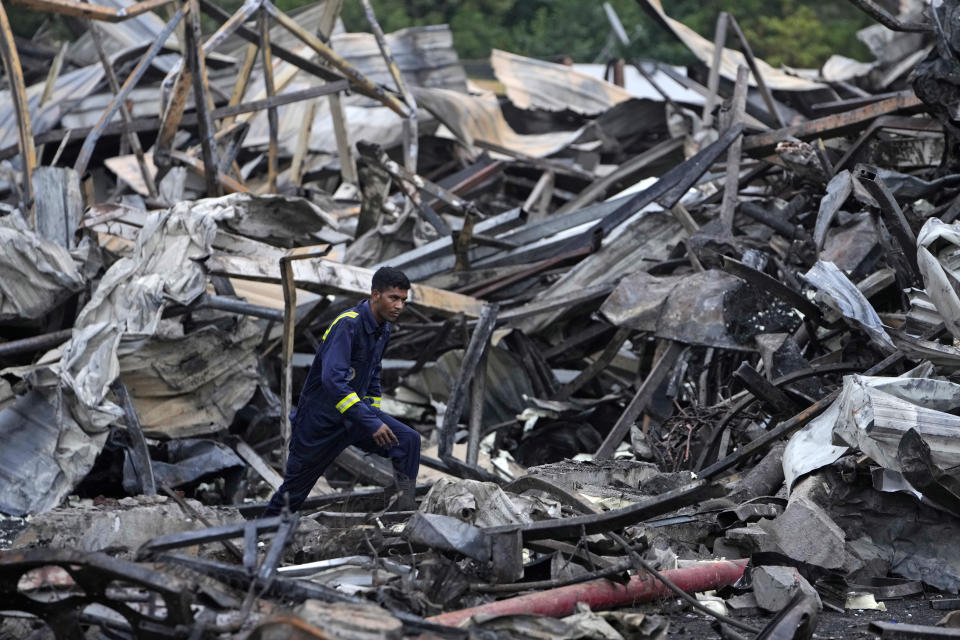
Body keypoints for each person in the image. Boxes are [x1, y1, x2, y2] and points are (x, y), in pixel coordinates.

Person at [263, 267, 421, 516]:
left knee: (408, 441)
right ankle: (260, 538)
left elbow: (373, 372)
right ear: (375, 295)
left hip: (354, 418)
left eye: (403, 300)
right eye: (394, 298)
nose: (399, 305)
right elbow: (333, 381)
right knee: (292, 495)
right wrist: (370, 421)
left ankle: (401, 514)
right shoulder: (347, 325)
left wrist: (371, 414)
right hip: (320, 423)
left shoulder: (384, 329)